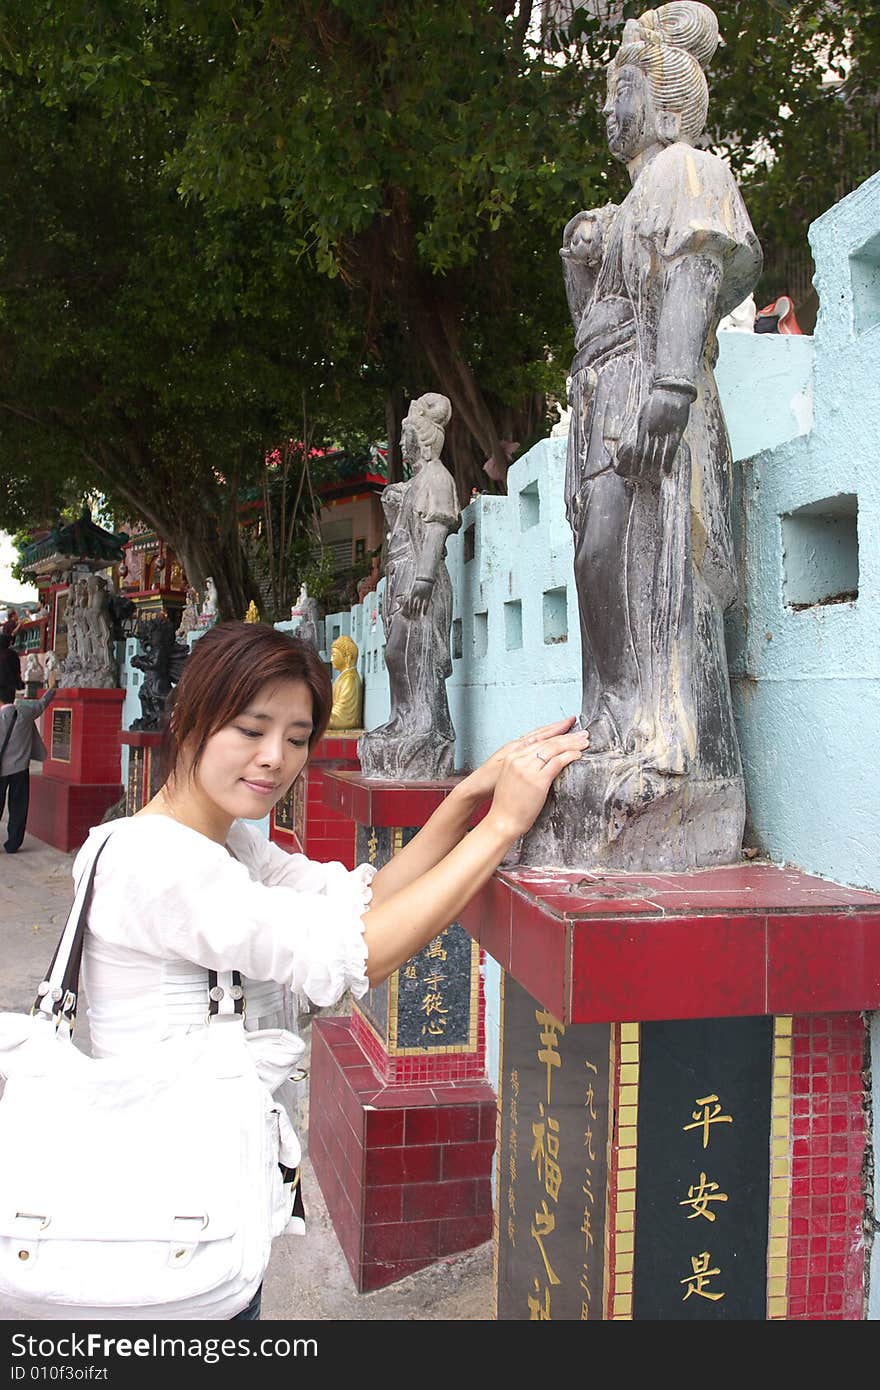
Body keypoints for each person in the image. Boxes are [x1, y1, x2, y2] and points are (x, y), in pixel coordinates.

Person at [72, 620, 589, 1319]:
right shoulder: (157, 865)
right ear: (191, 721)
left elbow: (363, 903)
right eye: (252, 730)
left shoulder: (229, 849)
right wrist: (501, 829)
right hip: (160, 1220)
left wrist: (470, 795)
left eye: (294, 737)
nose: (273, 759)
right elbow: (355, 953)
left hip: (207, 1195)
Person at [532, 0, 761, 865]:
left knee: (649, 568)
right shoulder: (624, 204)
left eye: (619, 87)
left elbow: (695, 270)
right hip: (604, 398)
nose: (607, 106)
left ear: (663, 102)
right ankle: (615, 722)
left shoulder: (686, 170)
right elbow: (591, 317)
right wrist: (580, 257)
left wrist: (670, 385)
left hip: (652, 393)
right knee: (602, 563)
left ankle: (670, 743)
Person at [358, 392, 461, 780]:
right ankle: (403, 718)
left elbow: (435, 531)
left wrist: (423, 578)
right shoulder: (415, 482)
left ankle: (428, 727)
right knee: (397, 654)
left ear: (422, 438)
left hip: (421, 580)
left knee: (420, 654)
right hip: (400, 577)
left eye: (406, 437)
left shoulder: (437, 478)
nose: (401, 445)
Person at [0, 669, 58, 854]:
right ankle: (13, 843)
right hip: (19, 768)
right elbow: (43, 703)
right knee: (18, 806)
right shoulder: (25, 711)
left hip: (1, 770)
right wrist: (52, 686)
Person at [327, 634, 363, 730]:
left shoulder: (350, 679)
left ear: (347, 657)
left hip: (344, 721)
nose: (331, 659)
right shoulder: (343, 677)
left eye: (334, 655)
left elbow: (342, 716)